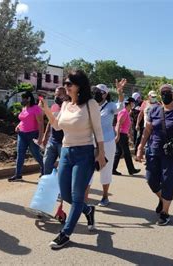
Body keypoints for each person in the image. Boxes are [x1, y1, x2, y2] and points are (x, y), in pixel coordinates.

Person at [40, 70, 106, 249]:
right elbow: (57, 125)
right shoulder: (65, 105)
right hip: (66, 152)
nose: (65, 87)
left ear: (79, 86)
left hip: (84, 153)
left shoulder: (90, 104)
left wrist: (101, 153)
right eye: (65, 84)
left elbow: (98, 130)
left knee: (77, 196)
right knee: (66, 194)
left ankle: (66, 233)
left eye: (69, 84)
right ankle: (88, 210)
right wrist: (46, 110)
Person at [136, 84, 173, 226]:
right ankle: (162, 199)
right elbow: (147, 130)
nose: (165, 94)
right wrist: (141, 146)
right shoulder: (154, 110)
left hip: (172, 152)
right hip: (154, 150)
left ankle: (165, 212)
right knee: (150, 179)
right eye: (163, 92)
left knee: (168, 181)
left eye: (168, 92)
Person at [86, 80, 125, 207]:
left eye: (99, 92)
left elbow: (121, 107)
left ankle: (105, 196)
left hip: (107, 142)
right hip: (90, 142)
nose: (96, 94)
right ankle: (85, 198)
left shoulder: (110, 106)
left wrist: (120, 93)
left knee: (105, 169)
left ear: (105, 94)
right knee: (87, 169)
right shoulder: (90, 105)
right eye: (95, 91)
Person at [8, 91, 45, 182]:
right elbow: (23, 120)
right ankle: (18, 175)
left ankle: (45, 169)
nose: (22, 100)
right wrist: (18, 126)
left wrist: (40, 137)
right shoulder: (24, 108)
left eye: (23, 98)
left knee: (35, 154)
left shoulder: (36, 108)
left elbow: (41, 123)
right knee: (20, 154)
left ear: (28, 98)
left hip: (32, 134)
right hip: (22, 134)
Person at [42, 86, 68, 175]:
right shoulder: (54, 107)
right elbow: (50, 121)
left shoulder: (69, 107)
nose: (57, 97)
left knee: (64, 167)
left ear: (66, 95)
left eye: (60, 95)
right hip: (52, 141)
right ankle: (48, 184)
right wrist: (45, 136)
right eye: (56, 94)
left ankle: (64, 186)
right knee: (46, 163)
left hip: (64, 142)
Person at [112, 97, 140, 176]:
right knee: (126, 153)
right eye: (133, 103)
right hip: (121, 134)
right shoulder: (123, 112)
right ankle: (131, 170)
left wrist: (129, 134)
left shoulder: (126, 112)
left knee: (119, 152)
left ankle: (113, 169)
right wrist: (117, 135)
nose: (134, 104)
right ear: (130, 103)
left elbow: (126, 125)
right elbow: (118, 124)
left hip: (123, 134)